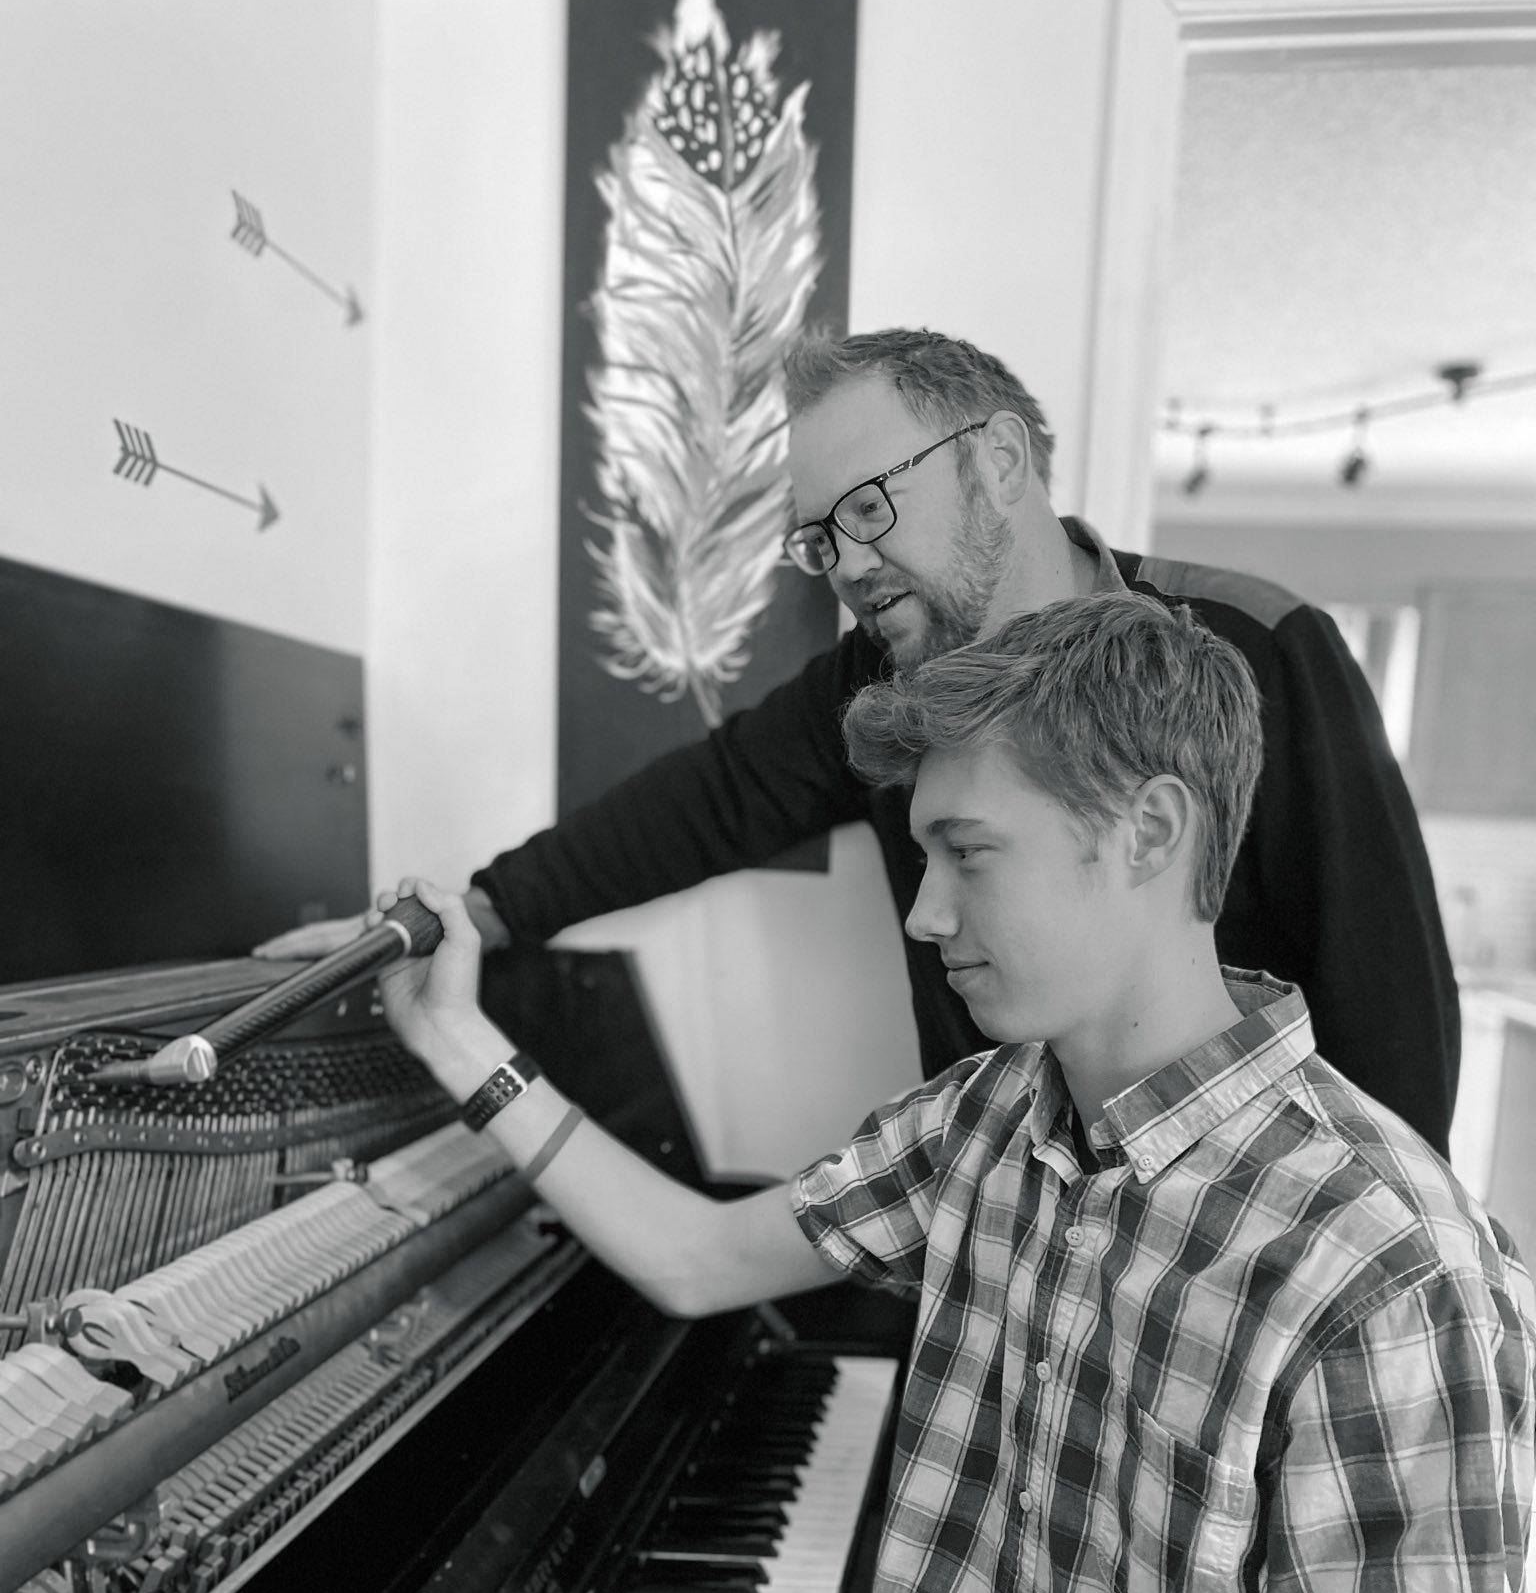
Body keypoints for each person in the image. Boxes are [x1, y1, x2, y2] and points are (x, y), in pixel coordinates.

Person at [375, 592, 1533, 1593]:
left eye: (965, 855)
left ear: (1153, 835)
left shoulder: (1384, 1272)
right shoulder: (990, 1115)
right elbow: (697, 1258)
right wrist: (463, 1045)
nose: (922, 914)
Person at [260, 327, 1460, 1157]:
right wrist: (459, 919)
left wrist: (1366, 1246)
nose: (848, 564)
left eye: (870, 508)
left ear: (999, 461)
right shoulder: (878, 678)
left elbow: (1389, 994)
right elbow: (705, 802)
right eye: (819, 540)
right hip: (1008, 1233)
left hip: (1234, 1248)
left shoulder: (1252, 640)